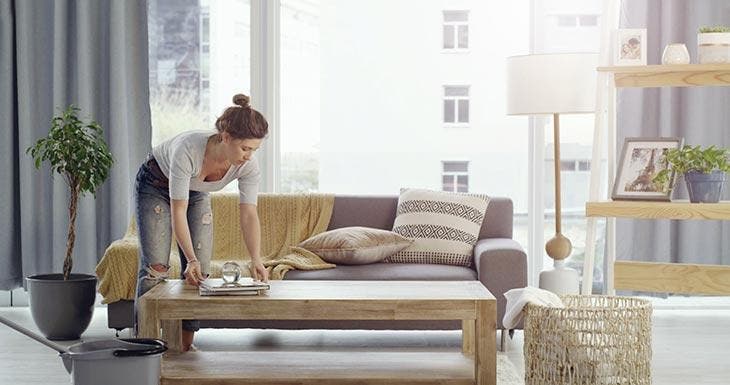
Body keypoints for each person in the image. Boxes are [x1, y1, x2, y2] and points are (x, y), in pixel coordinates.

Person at [134, 93, 269, 351]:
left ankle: (183, 346)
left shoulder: (248, 166)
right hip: (155, 184)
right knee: (156, 270)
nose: (249, 156)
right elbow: (178, 211)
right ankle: (145, 348)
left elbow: (249, 214)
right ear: (226, 137)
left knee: (201, 274)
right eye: (245, 148)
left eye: (255, 149)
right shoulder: (188, 149)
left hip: (196, 193)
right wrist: (189, 258)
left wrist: (256, 258)